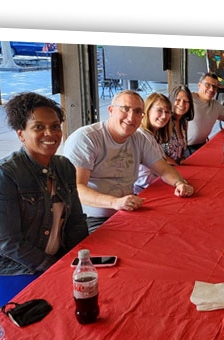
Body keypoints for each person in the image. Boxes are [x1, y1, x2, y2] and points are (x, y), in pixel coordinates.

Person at [0, 92, 89, 306]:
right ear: (21, 134)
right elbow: (7, 243)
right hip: (7, 269)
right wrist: (55, 267)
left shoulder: (64, 166)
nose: (50, 133)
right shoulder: (4, 176)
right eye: (39, 127)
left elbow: (76, 221)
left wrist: (79, 259)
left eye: (55, 126)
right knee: (56, 309)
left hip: (57, 260)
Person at [63, 90, 194, 233]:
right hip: (90, 218)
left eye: (138, 112)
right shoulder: (86, 138)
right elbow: (76, 189)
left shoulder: (139, 138)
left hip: (127, 211)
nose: (131, 117)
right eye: (125, 109)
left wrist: (179, 183)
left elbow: (163, 169)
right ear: (111, 110)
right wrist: (115, 202)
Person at [134, 89, 193, 193]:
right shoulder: (140, 136)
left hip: (155, 186)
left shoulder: (154, 136)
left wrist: (178, 182)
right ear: (147, 110)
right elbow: (143, 178)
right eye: (159, 110)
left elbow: (163, 168)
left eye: (167, 112)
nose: (164, 116)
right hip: (144, 192)